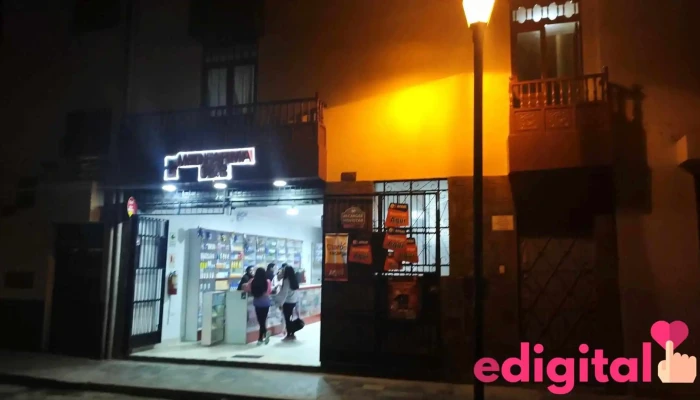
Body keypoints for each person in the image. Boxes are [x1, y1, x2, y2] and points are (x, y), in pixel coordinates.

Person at [244, 267, 272, 345]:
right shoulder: (267, 282)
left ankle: (260, 338)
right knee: (263, 321)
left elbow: (247, 289)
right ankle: (264, 334)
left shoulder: (252, 281)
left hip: (257, 303)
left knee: (261, 321)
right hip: (266, 303)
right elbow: (269, 291)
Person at [275, 265, 300, 341]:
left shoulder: (286, 280)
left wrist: (280, 304)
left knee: (287, 319)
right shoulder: (294, 280)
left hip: (288, 303)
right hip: (293, 302)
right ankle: (292, 334)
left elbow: (284, 293)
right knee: (290, 319)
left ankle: (289, 335)